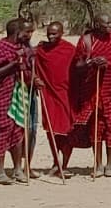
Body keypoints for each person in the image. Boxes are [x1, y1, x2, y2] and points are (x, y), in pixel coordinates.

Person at [78, 16, 111, 176]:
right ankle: (98, 164)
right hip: (93, 90)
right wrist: (91, 63)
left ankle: (110, 164)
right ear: (96, 25)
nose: (110, 26)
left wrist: (108, 64)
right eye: (106, 23)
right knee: (96, 127)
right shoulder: (87, 40)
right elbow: (77, 65)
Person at [0, 18, 34, 183]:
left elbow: (28, 69)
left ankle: (17, 169)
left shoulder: (24, 48)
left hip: (21, 94)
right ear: (17, 32)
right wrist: (13, 64)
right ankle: (0, 171)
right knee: (2, 129)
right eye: (27, 32)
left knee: (18, 130)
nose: (30, 35)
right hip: (4, 93)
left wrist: (33, 78)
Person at [33, 20, 83, 177]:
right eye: (49, 33)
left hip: (67, 94)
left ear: (62, 33)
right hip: (48, 93)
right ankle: (56, 162)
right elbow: (31, 65)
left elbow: (79, 67)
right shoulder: (41, 50)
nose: (51, 36)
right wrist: (35, 78)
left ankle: (65, 164)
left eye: (54, 33)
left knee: (68, 130)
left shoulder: (69, 50)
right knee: (52, 129)